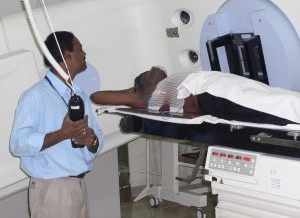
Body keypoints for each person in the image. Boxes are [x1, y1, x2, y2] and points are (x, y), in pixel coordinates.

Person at [10, 31, 103, 218]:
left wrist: (91, 140)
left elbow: (97, 138)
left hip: (79, 185)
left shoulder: (79, 94)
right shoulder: (34, 96)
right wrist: (62, 134)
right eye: (80, 49)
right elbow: (17, 144)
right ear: (67, 55)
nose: (84, 54)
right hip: (52, 190)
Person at [90, 66, 295, 125]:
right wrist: (129, 92)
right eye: (147, 73)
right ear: (141, 87)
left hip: (222, 85)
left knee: (276, 96)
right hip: (214, 96)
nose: (154, 68)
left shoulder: (166, 83)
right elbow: (97, 96)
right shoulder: (149, 98)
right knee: (277, 104)